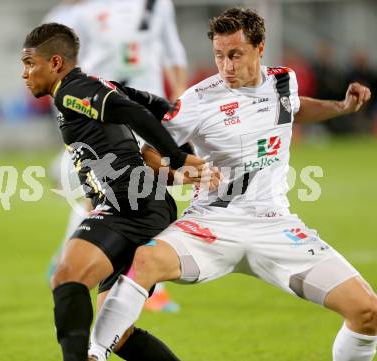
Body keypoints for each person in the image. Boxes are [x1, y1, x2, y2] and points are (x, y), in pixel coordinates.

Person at [88, 8, 377, 361]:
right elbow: (149, 151)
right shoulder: (198, 100)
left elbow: (294, 108)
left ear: (259, 48)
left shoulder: (284, 81)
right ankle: (94, 353)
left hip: (275, 225)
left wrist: (342, 107)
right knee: (147, 260)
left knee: (368, 313)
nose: (226, 66)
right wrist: (180, 173)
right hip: (212, 224)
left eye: (235, 55)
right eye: (219, 56)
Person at [20, 23, 208, 361]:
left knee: (67, 276)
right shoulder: (91, 88)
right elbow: (147, 104)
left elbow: (131, 110)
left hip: (130, 207)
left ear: (56, 63)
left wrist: (178, 156)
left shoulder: (71, 90)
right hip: (142, 205)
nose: (25, 73)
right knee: (116, 336)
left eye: (30, 63)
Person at [45, 0, 189, 312]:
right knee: (97, 192)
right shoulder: (83, 11)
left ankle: (149, 284)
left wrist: (178, 95)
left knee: (149, 190)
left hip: (143, 109)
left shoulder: (157, 4)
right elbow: (64, 54)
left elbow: (172, 47)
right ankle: (70, 260)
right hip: (100, 111)